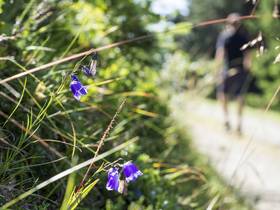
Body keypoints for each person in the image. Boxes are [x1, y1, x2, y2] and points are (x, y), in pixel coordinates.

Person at [215, 13, 251, 134]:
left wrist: (217, 71)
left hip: (227, 70)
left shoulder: (224, 36)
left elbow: (220, 55)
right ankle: (237, 123)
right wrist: (247, 70)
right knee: (239, 97)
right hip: (240, 70)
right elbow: (248, 57)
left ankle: (227, 120)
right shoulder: (243, 36)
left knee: (223, 94)